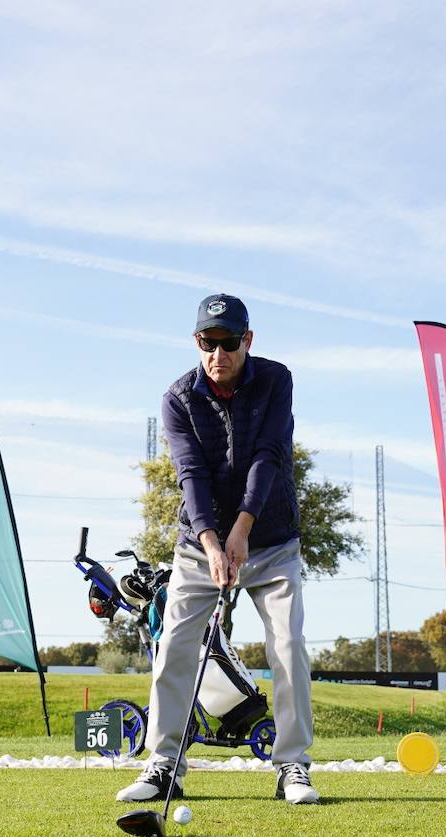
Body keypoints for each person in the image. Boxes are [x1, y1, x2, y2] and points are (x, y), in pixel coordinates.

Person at [117, 293, 318, 805]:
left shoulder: (276, 380)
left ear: (248, 341)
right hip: (198, 546)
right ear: (197, 342)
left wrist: (241, 530)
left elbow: (269, 456)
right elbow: (191, 473)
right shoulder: (178, 398)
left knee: (288, 648)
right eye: (209, 343)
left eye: (229, 343)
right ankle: (164, 764)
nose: (218, 354)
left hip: (270, 540)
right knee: (174, 649)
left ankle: (292, 766)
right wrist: (212, 540)